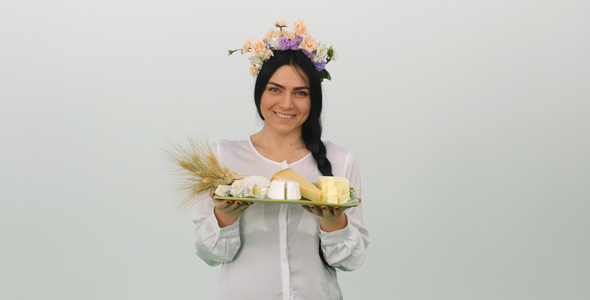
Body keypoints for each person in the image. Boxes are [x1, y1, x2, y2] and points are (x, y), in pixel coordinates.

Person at [192, 20, 369, 300]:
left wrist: (334, 222)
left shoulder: (340, 160)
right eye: (275, 89)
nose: (286, 104)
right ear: (260, 92)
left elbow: (350, 261)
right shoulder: (223, 157)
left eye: (300, 93)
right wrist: (225, 215)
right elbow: (210, 255)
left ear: (314, 100)